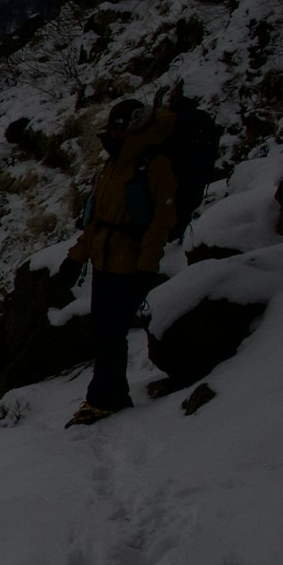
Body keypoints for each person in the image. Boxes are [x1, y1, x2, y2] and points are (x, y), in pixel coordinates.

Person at [67, 96, 183, 424]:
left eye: (118, 131)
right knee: (106, 333)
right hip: (106, 262)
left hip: (129, 264)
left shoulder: (154, 164)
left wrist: (147, 266)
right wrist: (76, 257)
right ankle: (110, 396)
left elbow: (162, 221)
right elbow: (98, 220)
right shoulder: (116, 163)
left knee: (110, 334)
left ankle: (104, 400)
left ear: (133, 129)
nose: (113, 136)